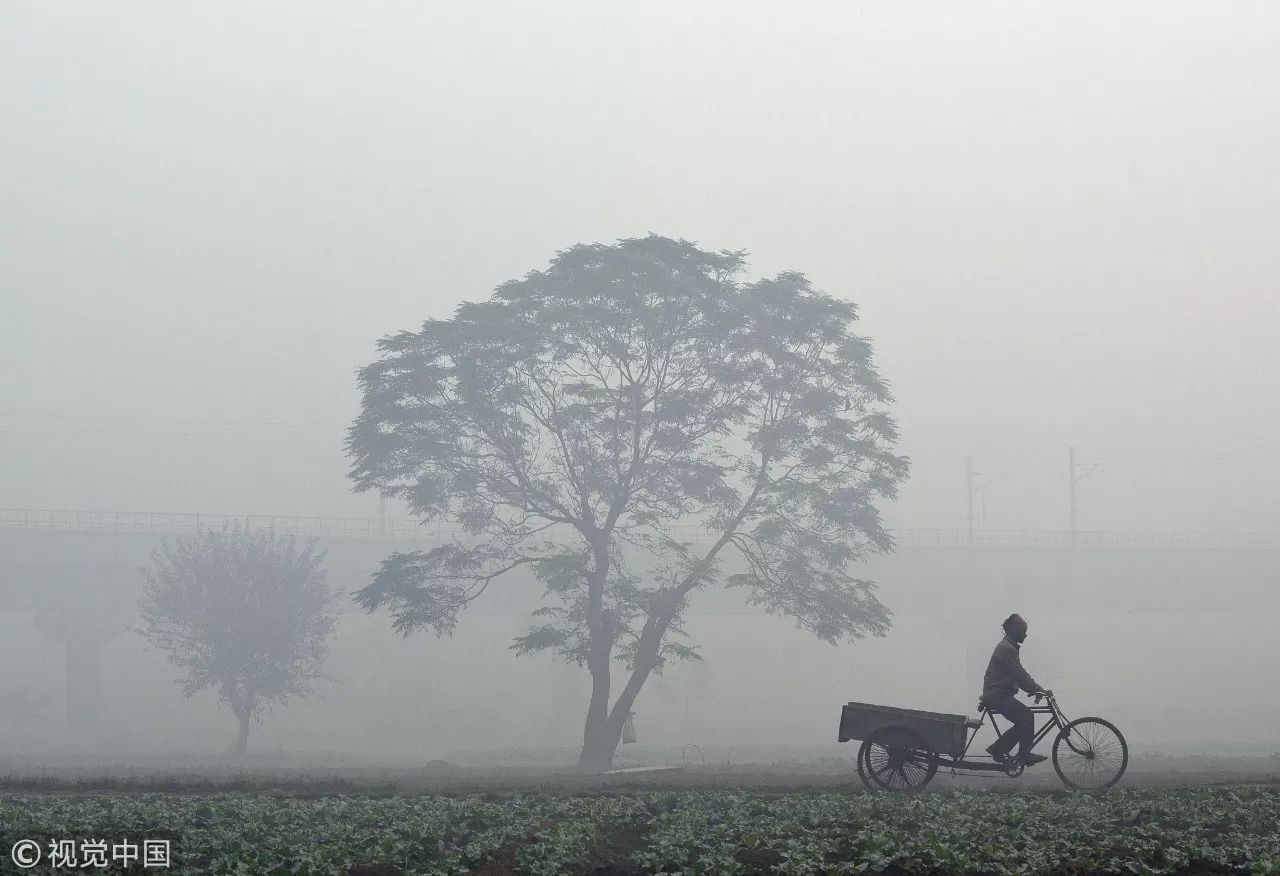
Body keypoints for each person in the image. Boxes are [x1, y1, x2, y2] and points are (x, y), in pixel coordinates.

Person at [981, 613, 1051, 766]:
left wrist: (1036, 690)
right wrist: (1040, 690)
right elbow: (1020, 675)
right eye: (1023, 631)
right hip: (996, 695)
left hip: (998, 694)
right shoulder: (1007, 649)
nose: (1026, 635)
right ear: (1014, 631)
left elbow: (1018, 676)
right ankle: (1022, 755)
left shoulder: (1008, 647)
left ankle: (999, 748)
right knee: (1026, 717)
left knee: (1023, 719)